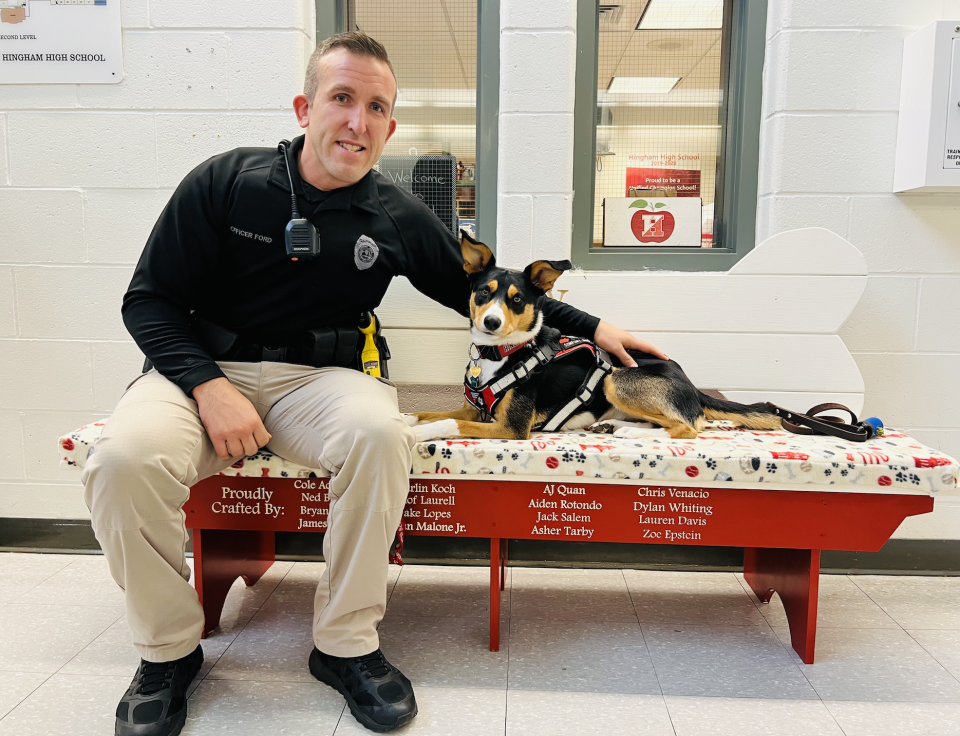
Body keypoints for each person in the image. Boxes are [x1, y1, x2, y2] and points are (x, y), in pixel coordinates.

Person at [82, 32, 668, 736]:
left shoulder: (394, 212)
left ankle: (344, 644)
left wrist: (595, 326)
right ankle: (169, 652)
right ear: (305, 107)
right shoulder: (226, 181)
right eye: (341, 99)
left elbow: (481, 289)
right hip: (199, 376)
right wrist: (210, 387)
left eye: (377, 107)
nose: (357, 122)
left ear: (389, 126)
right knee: (120, 460)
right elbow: (147, 300)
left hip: (318, 380)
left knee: (382, 433)